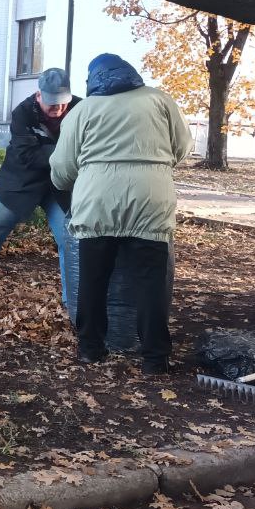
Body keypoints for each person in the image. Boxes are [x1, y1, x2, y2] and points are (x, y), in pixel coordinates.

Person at [50, 53, 192, 374]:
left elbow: (61, 167)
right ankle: (155, 360)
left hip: (97, 204)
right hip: (150, 203)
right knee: (151, 284)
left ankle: (90, 349)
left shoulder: (83, 110)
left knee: (93, 280)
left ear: (93, 80)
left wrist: (67, 182)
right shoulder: (160, 100)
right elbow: (183, 147)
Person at [0, 68, 81, 313]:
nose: (57, 109)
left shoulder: (81, 109)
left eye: (62, 103)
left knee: (70, 240)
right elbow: (27, 154)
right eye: (52, 104)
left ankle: (74, 301)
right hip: (19, 182)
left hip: (61, 186)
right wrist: (67, 154)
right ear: (38, 96)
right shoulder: (22, 113)